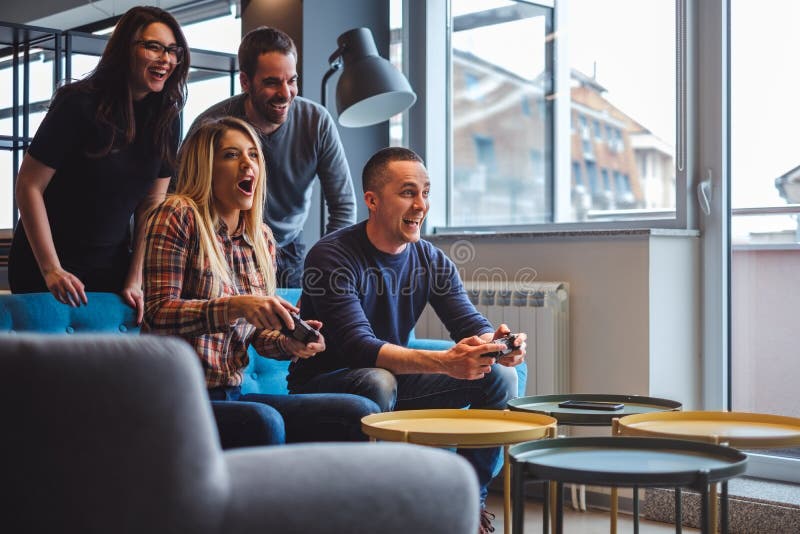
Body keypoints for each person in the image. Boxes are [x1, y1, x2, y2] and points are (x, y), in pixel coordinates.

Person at [288, 146, 527, 533]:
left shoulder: (429, 258)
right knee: (375, 379)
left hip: (393, 380)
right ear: (372, 200)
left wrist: (496, 344)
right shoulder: (331, 255)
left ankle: (468, 503)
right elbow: (358, 347)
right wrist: (446, 362)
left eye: (426, 193)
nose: (421, 205)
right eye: (408, 192)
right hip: (325, 382)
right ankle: (374, 511)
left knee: (500, 377)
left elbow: (468, 321)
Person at [143, 116, 377, 446]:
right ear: (205, 166)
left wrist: (289, 343)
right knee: (263, 422)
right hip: (175, 396)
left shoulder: (261, 237)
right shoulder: (177, 214)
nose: (247, 164)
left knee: (360, 412)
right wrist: (236, 306)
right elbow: (158, 312)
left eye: (253, 155)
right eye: (231, 155)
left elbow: (258, 336)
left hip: (231, 394)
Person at [9, 6, 188, 323]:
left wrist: (136, 278)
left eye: (173, 50)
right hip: (45, 267)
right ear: (125, 49)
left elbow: (152, 206)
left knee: (103, 369)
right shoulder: (78, 103)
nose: (167, 59)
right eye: (154, 46)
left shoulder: (167, 119)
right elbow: (28, 186)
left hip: (111, 271)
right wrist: (51, 269)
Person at [188, 26, 356, 288]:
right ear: (245, 82)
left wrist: (325, 265)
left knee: (293, 326)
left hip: (288, 251)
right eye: (271, 82)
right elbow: (181, 194)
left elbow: (344, 207)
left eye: (292, 80)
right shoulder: (211, 124)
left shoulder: (317, 122)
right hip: (221, 246)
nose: (286, 92)